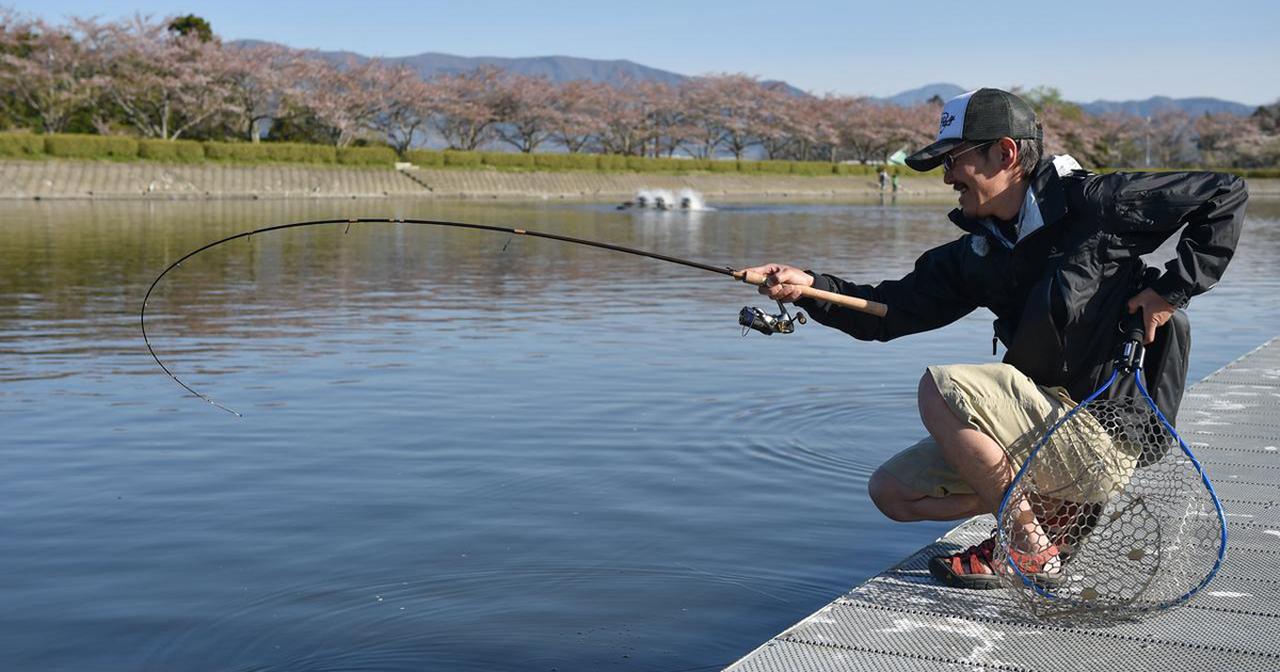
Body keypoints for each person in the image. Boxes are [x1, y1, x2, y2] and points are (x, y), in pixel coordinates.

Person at [742, 88, 1247, 589]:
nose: (946, 177)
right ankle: (1047, 512)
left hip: (1102, 436)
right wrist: (809, 288)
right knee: (892, 493)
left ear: (1004, 153)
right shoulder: (979, 252)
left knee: (939, 387)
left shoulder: (1096, 206)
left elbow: (1224, 194)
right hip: (1040, 433)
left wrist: (1170, 291)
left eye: (953, 160)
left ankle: (1028, 546)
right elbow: (886, 313)